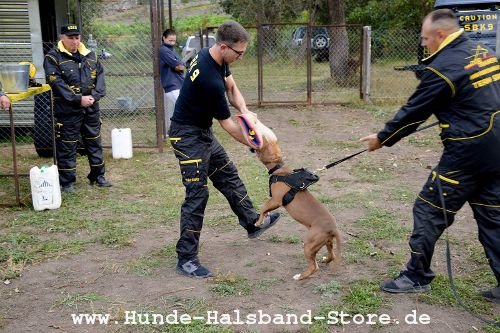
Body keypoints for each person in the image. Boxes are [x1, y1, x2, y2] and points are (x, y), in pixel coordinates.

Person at [360, 9, 500, 303]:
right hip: (495, 149)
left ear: (440, 35)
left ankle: (416, 276)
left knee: (429, 209)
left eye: (425, 38)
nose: (423, 44)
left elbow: (414, 113)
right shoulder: (482, 51)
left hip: (467, 154)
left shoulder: (443, 68)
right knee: (492, 216)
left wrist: (382, 139)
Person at [168, 20, 281, 278]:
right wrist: (258, 145)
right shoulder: (209, 80)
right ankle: (186, 258)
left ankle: (253, 223)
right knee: (197, 195)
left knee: (227, 174)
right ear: (223, 46)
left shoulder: (216, 56)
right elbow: (229, 127)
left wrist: (245, 111)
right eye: (239, 53)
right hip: (186, 137)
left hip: (201, 131)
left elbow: (233, 86)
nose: (241, 57)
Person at [44, 24, 111, 193]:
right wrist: (77, 99)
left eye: (77, 37)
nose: (74, 41)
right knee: (67, 145)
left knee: (94, 141)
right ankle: (67, 182)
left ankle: (98, 176)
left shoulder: (91, 56)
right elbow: (56, 83)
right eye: (70, 38)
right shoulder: (53, 57)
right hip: (67, 110)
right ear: (62, 38)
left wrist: (94, 97)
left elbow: (101, 80)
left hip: (91, 107)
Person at [159, 29, 185, 137]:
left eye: (174, 41)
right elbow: (178, 66)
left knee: (181, 108)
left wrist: (181, 65)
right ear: (164, 38)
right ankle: (175, 132)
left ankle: (174, 131)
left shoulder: (171, 50)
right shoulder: (163, 50)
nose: (172, 43)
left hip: (178, 83)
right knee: (183, 108)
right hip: (172, 85)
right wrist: (181, 65)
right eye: (170, 40)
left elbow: (180, 65)